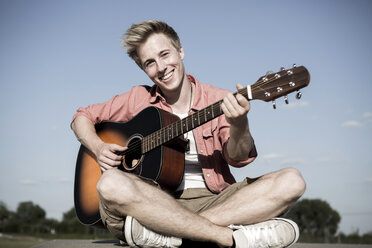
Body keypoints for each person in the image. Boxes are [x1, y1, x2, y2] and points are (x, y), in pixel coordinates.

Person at [71, 20, 306, 248]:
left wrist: (239, 124)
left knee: (291, 181)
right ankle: (227, 237)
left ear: (180, 51)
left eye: (165, 54)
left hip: (218, 201)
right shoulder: (137, 99)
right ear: (143, 69)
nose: (161, 67)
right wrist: (98, 147)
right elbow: (82, 116)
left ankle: (171, 234)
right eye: (150, 63)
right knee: (110, 183)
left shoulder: (219, 98)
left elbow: (238, 158)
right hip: (152, 203)